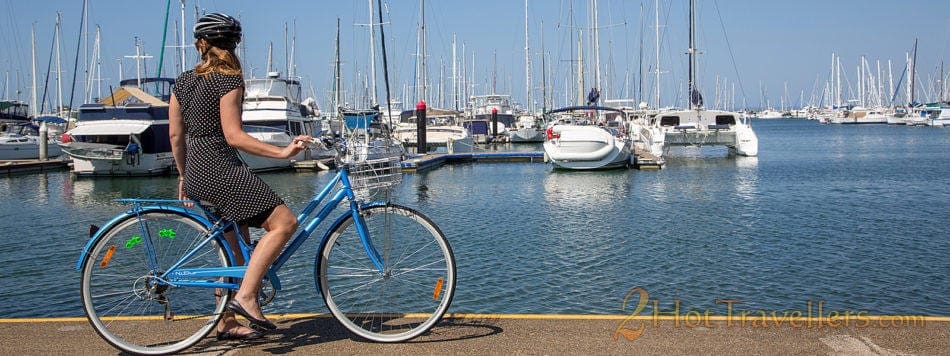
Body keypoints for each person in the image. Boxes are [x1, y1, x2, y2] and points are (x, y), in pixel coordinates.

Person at [168, 12, 310, 340]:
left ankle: (226, 323)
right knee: (284, 222)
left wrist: (183, 175)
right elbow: (233, 136)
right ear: (234, 46)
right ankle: (246, 296)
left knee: (234, 249)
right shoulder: (228, 79)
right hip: (221, 168)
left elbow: (176, 136)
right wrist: (283, 152)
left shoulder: (182, 82)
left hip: (197, 172)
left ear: (200, 45)